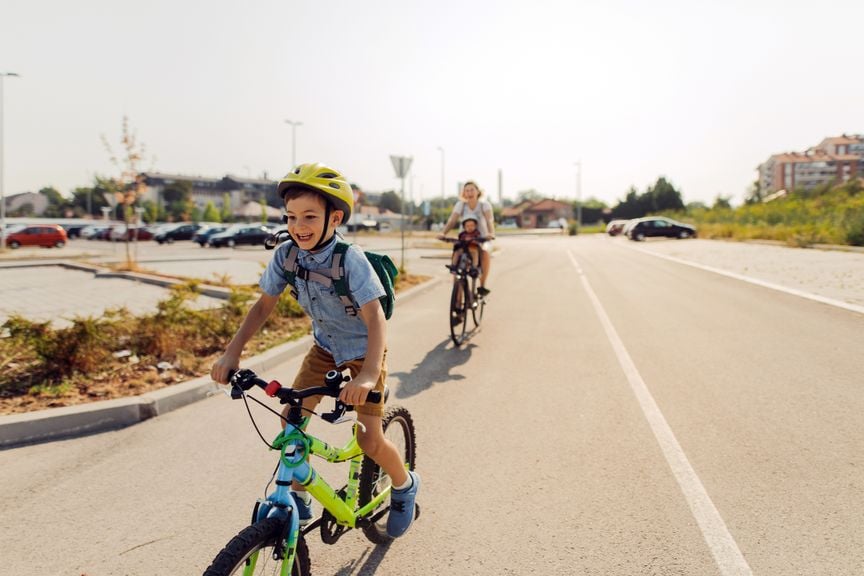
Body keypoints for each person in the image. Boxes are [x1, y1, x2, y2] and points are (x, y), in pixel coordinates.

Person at [211, 162, 420, 538]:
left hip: (363, 350)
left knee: (368, 439)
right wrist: (232, 354)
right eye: (291, 217)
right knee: (291, 419)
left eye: (309, 216)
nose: (298, 226)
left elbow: (376, 319)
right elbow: (262, 307)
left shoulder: (349, 259)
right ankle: (301, 496)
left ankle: (404, 486)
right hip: (324, 348)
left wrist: (369, 373)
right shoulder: (286, 255)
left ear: (334, 218)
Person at [438, 180, 495, 295]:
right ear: (464, 193)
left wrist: (491, 233)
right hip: (464, 238)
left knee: (484, 253)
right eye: (467, 190)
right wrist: (443, 233)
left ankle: (482, 285)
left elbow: (489, 220)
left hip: (481, 238)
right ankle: (457, 298)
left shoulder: (484, 205)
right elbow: (452, 220)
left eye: (472, 190)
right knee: (457, 255)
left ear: (477, 191)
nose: (469, 193)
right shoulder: (461, 205)